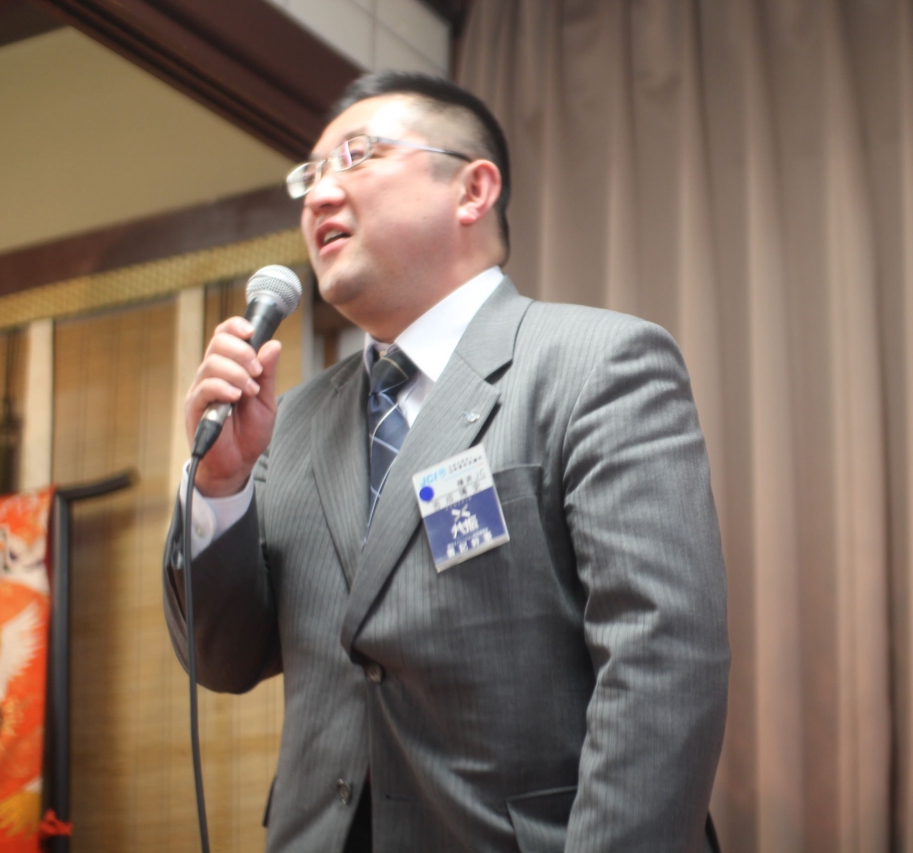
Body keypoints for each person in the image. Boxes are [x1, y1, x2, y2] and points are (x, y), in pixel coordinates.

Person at [163, 71, 729, 853]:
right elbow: (223, 658)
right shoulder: (286, 422)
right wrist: (220, 487)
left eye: (357, 156)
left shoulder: (598, 362)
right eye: (309, 174)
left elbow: (661, 660)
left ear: (472, 190)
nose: (320, 194)